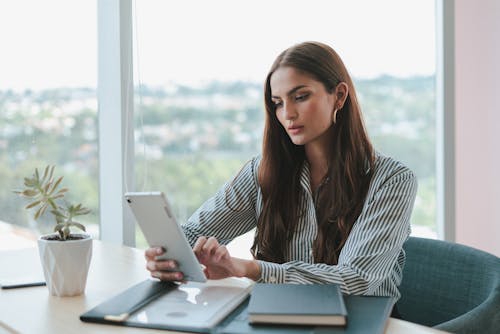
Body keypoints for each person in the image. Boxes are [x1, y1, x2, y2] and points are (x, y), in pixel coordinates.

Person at [145, 41, 417, 305]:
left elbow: (356, 279)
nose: (287, 113)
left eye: (300, 97)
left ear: (339, 96)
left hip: (360, 321)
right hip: (278, 316)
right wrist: (169, 258)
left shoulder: (392, 180)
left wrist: (250, 269)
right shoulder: (263, 171)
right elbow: (194, 233)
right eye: (277, 102)